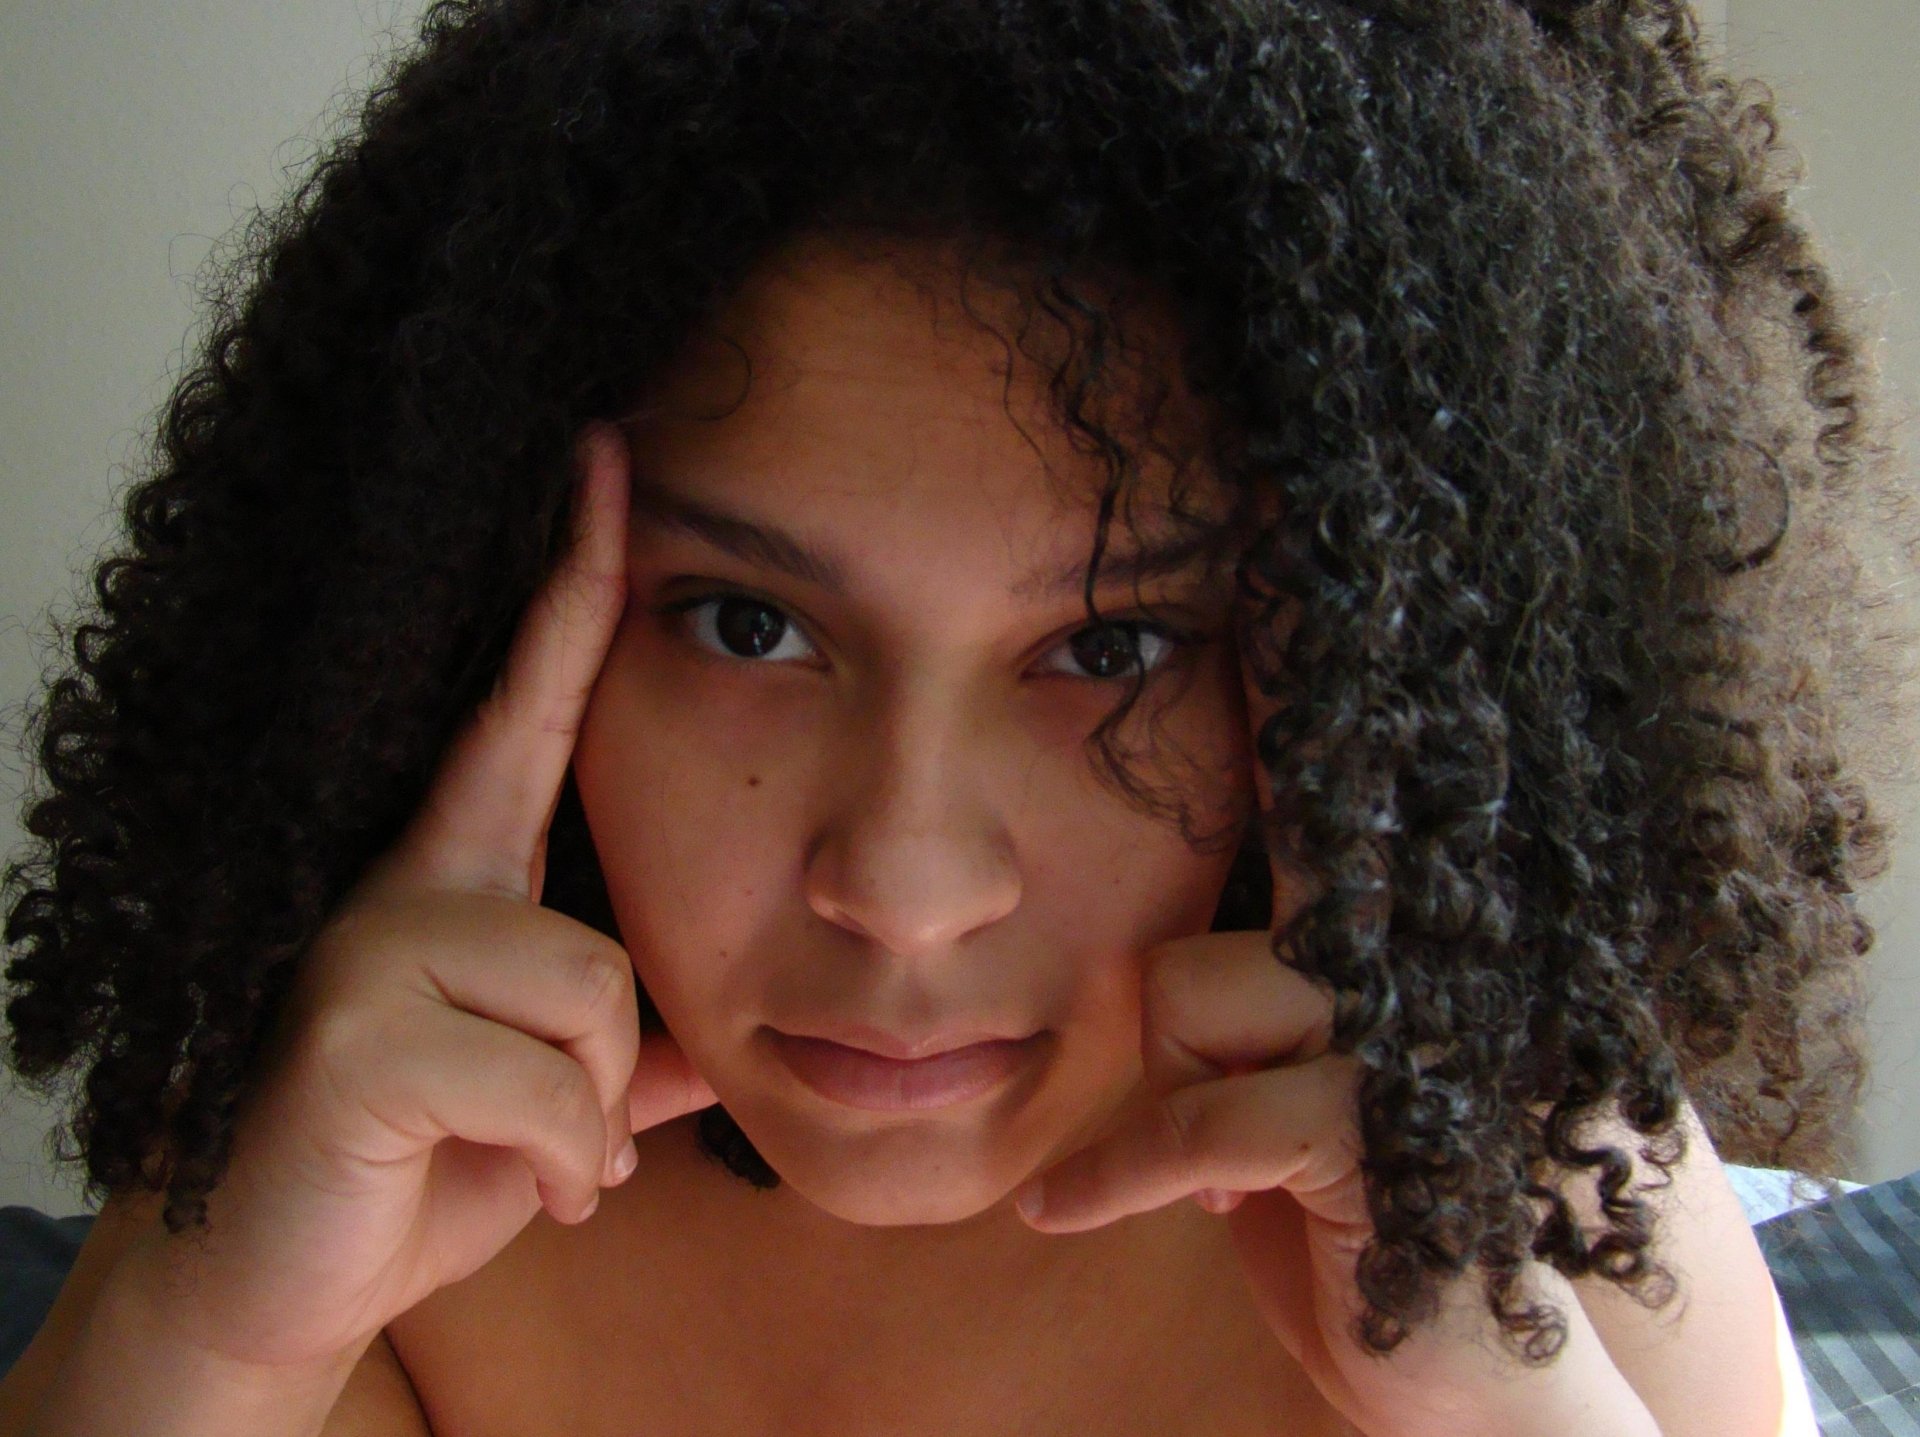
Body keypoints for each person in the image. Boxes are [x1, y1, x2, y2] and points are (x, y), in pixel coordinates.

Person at [0, 0, 1910, 1432]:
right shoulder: (373, 1203)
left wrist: (1503, 1401)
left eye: (1115, 649)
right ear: (474, 615)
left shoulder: (1528, 1196)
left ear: (1369, 661)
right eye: (748, 624)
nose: (903, 890)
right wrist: (204, 1337)